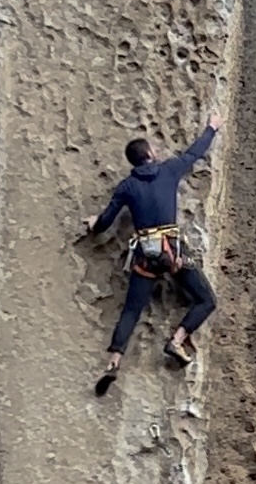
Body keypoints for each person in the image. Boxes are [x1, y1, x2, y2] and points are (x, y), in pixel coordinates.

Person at [85, 117, 222, 395]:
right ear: (150, 155)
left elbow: (105, 222)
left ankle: (113, 362)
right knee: (206, 300)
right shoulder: (169, 170)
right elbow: (194, 153)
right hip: (172, 254)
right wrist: (212, 128)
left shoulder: (126, 187)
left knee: (131, 311)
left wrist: (92, 224)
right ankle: (178, 338)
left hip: (146, 258)